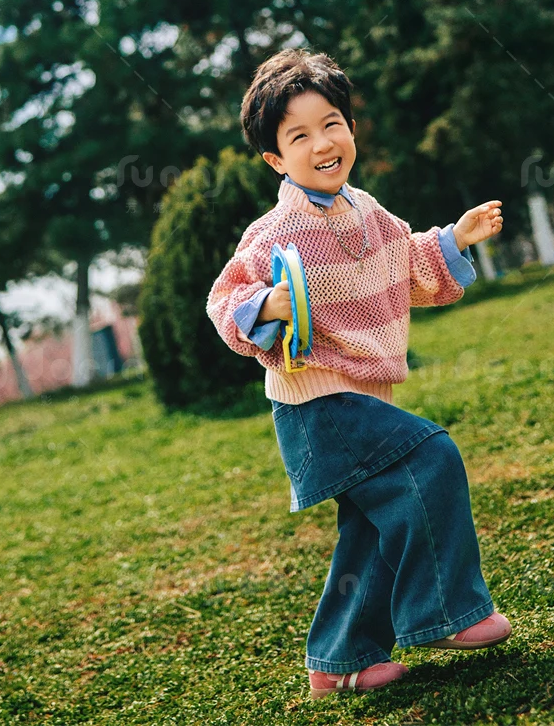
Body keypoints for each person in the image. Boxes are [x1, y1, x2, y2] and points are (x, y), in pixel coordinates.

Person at [206, 49, 510, 701]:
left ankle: (340, 662)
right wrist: (267, 305)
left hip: (359, 400)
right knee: (431, 456)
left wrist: (456, 238)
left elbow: (411, 264)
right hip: (317, 406)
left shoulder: (367, 213)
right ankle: (447, 615)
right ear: (274, 159)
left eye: (332, 123)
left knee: (372, 528)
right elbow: (223, 301)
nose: (322, 143)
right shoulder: (274, 231)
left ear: (351, 128)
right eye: (299, 135)